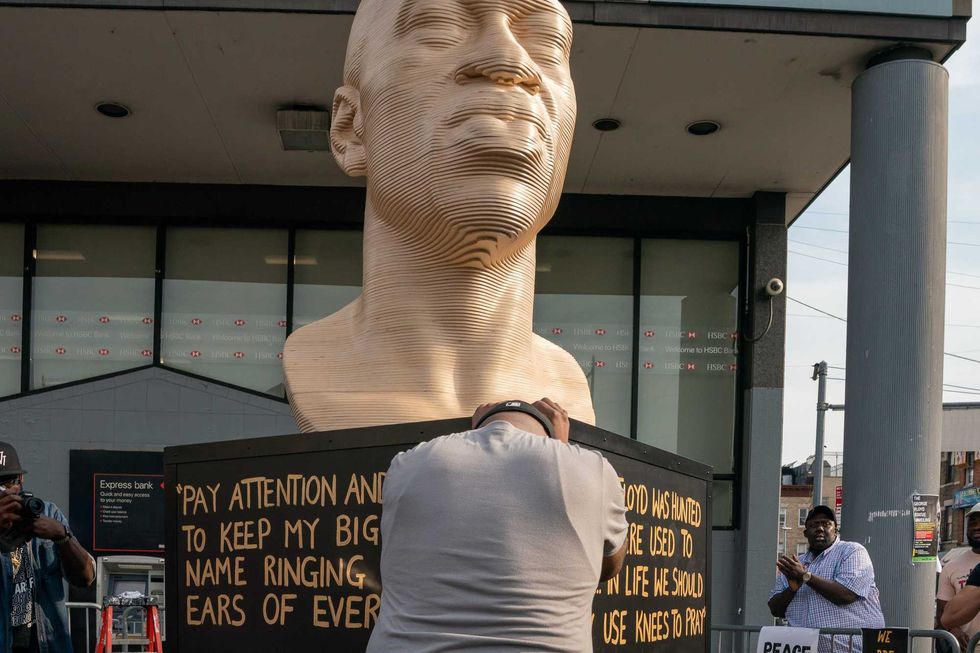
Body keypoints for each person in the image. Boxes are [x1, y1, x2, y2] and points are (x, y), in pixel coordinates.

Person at [283, 0, 595, 432]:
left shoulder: (567, 387)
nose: (510, 62)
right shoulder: (317, 365)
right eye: (439, 27)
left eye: (547, 41)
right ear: (351, 128)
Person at [366, 398, 628, 652]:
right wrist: (561, 449)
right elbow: (609, 565)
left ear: (480, 427)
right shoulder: (592, 468)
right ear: (548, 431)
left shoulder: (406, 464)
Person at [0, 441, 95, 653]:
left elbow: (86, 578)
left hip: (46, 645)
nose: (5, 492)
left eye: (10, 482)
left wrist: (62, 536)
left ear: (22, 480)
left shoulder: (48, 514)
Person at [768, 505, 885, 653]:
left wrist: (806, 577)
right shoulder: (796, 565)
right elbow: (775, 609)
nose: (820, 528)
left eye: (826, 524)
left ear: (835, 529)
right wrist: (791, 590)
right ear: (805, 533)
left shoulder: (852, 551)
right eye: (813, 525)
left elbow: (846, 595)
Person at [941, 503, 980, 637]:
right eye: (973, 522)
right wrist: (953, 630)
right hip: (968, 647)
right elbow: (944, 617)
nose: (977, 527)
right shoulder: (951, 566)